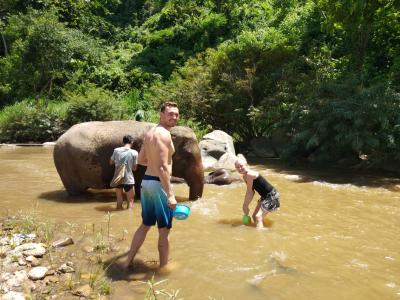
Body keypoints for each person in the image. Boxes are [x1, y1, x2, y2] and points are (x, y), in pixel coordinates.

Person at [124, 102, 179, 270]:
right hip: (158, 184)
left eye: (176, 114)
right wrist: (170, 193)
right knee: (164, 229)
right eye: (170, 114)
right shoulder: (163, 134)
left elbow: (141, 160)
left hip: (147, 182)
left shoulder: (150, 134)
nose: (174, 117)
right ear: (161, 115)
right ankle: (164, 268)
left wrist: (154, 163)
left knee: (146, 224)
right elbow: (163, 167)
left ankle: (128, 262)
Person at [234, 154, 280, 229]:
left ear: (246, 164)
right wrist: (246, 205)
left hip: (271, 196)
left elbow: (249, 192)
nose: (240, 168)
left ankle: (262, 235)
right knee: (254, 217)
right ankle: (259, 229)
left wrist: (245, 205)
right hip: (265, 196)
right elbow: (252, 192)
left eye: (241, 165)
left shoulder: (249, 175)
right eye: (237, 167)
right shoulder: (245, 175)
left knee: (258, 217)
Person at [110, 135, 138, 210]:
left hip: (118, 178)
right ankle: (129, 217)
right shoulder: (134, 152)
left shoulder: (116, 150)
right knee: (130, 201)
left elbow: (111, 162)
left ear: (123, 142)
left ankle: (118, 218)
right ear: (132, 142)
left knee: (119, 201)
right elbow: (134, 168)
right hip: (129, 179)